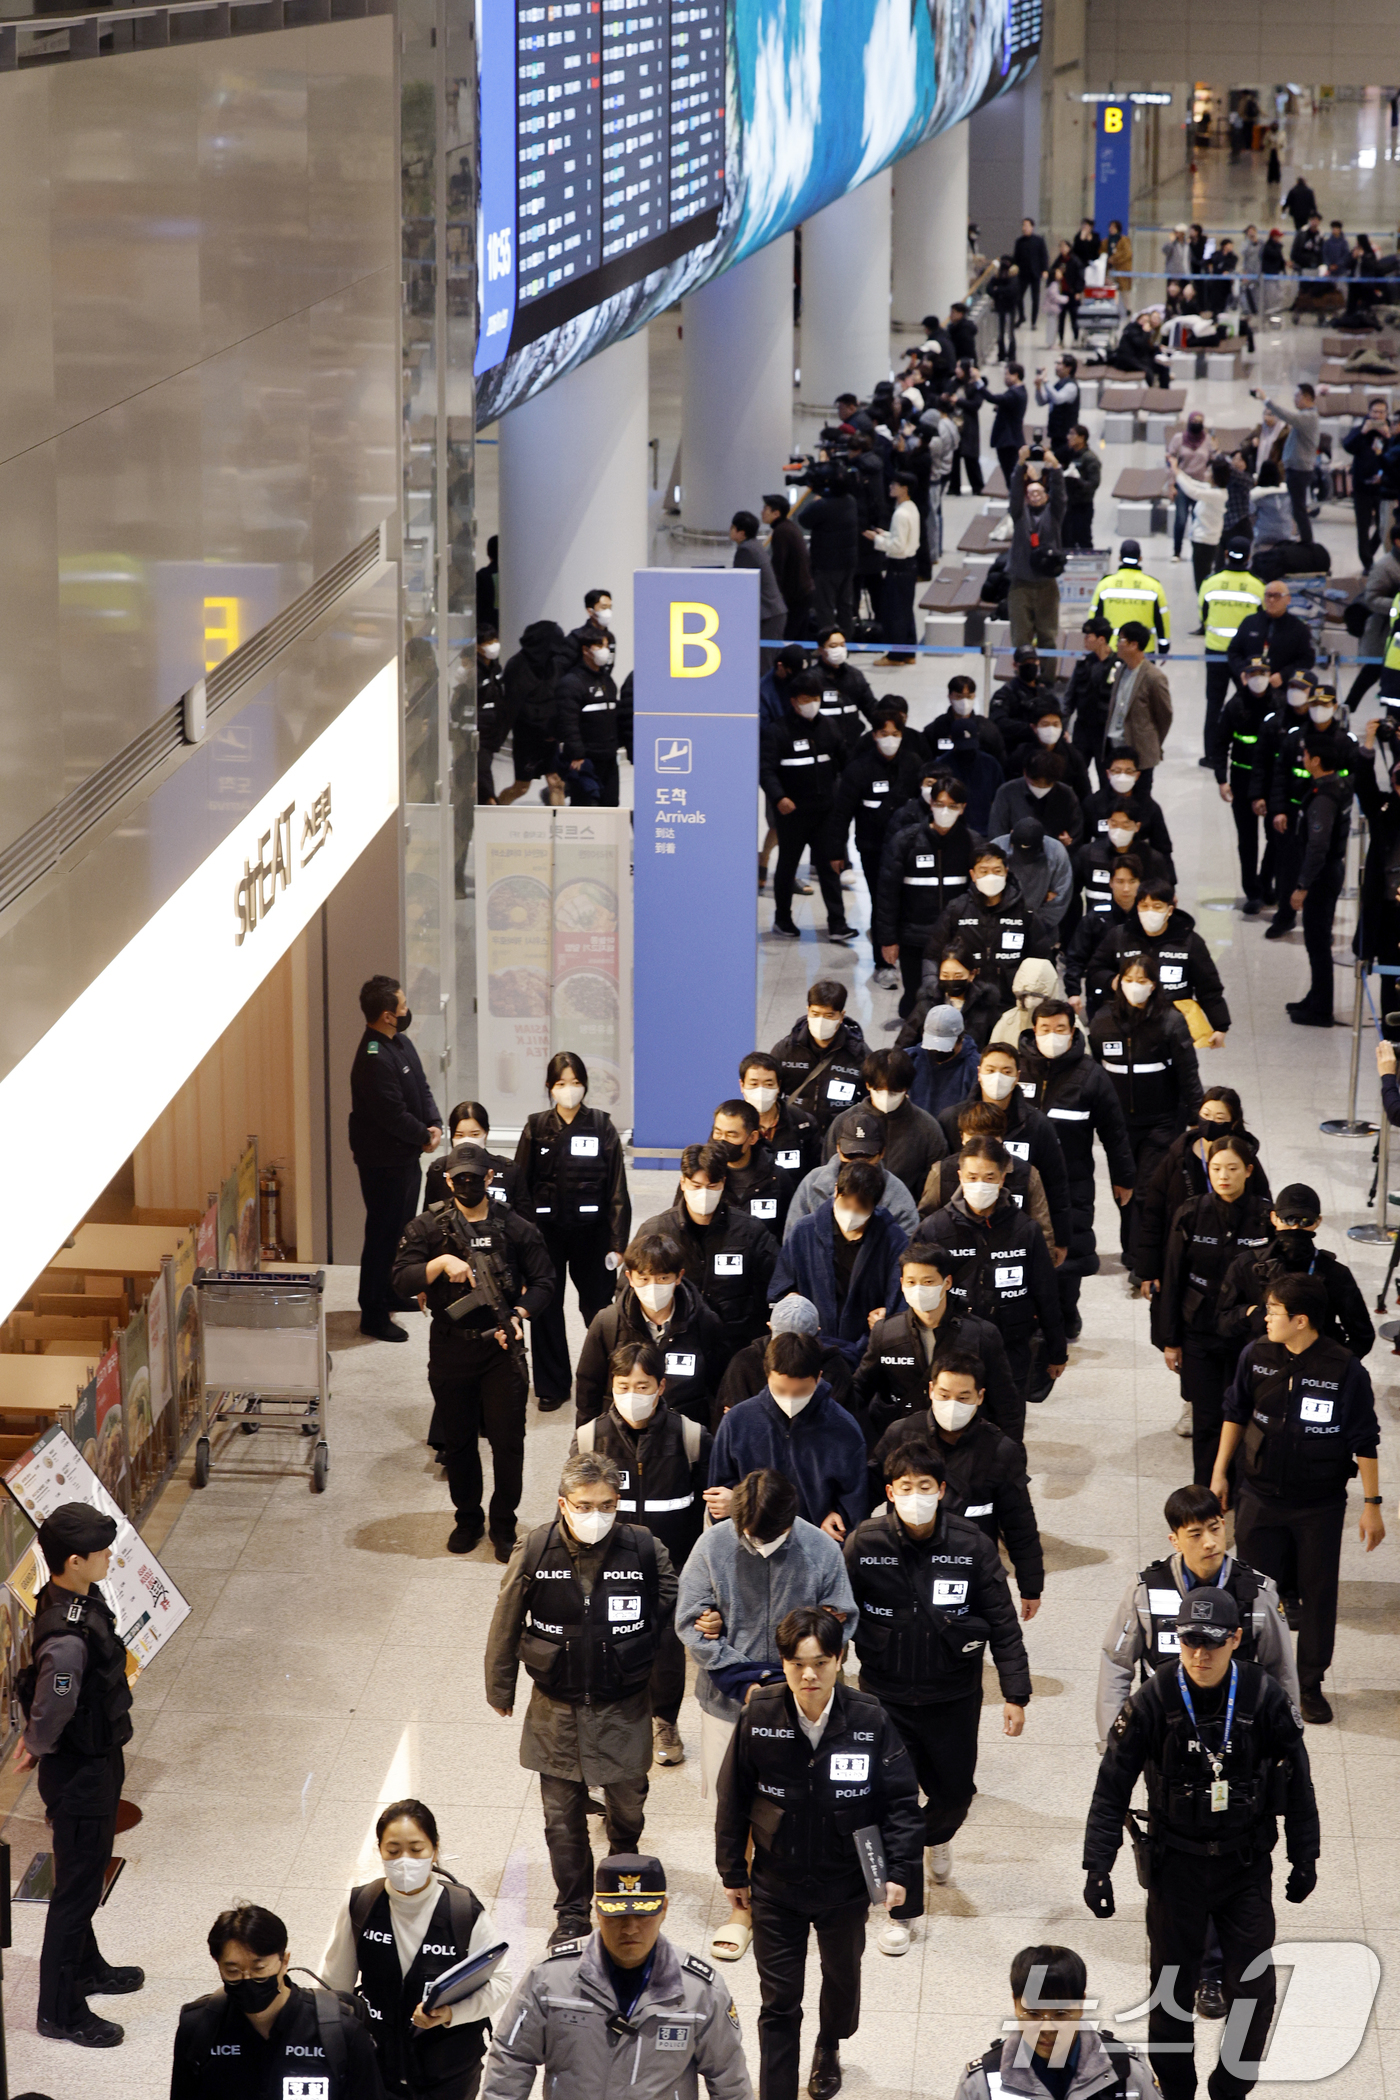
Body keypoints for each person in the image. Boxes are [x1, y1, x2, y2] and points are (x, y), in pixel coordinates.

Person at [1082, 1588, 1319, 2100]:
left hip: (1245, 1866)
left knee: (1253, 1992)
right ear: (1176, 1639)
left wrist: (1306, 1856)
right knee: (1170, 1993)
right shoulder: (1155, 1697)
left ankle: (1230, 2089)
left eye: (1212, 1642)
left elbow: (1299, 1781)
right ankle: (1177, 2091)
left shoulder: (1262, 1696)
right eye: (1189, 1641)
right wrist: (1097, 1865)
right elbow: (1112, 1784)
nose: (1199, 1654)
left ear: (1236, 1638)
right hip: (1176, 1869)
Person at [714, 1606, 922, 2093]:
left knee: (842, 1978)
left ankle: (829, 2043)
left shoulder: (869, 1719)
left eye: (821, 1663)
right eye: (797, 1663)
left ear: (839, 1658)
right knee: (779, 1999)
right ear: (783, 1663)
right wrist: (731, 1872)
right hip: (775, 1885)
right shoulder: (760, 1714)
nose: (809, 1675)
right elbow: (734, 1798)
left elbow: (902, 1804)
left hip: (845, 1885)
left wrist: (899, 1874)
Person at [485, 1451, 678, 1943]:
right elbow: (506, 1620)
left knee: (628, 1805)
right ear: (563, 1504)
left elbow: (672, 1612)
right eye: (585, 1504)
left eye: (608, 1504)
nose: (597, 1515)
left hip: (624, 1705)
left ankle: (620, 1877)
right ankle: (571, 1910)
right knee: (561, 1819)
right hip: (556, 1710)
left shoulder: (644, 1549)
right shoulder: (533, 1550)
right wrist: (500, 1685)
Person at [845, 1432, 1030, 1917]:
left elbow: (1003, 1623)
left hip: (952, 1697)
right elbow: (839, 1615)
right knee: (889, 1803)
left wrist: (1016, 1694)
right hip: (884, 1697)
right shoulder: (865, 1543)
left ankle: (934, 1839)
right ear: (889, 1492)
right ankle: (898, 1912)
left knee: (953, 1798)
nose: (915, 1495)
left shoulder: (971, 1546)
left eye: (924, 1485)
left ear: (942, 1490)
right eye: (904, 1486)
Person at [677, 1467, 858, 1961]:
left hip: (805, 1695)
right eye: (748, 1533)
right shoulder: (713, 1545)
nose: (757, 1543)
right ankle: (742, 1906)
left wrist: (791, 1676)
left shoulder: (819, 1549)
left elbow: (843, 1616)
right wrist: (742, 1677)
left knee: (796, 1798)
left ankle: (796, 1893)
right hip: (728, 1698)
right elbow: (689, 1620)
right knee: (736, 1804)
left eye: (769, 1535)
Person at [1214, 1273, 1385, 1724]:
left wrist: (1373, 1504)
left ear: (1301, 1320)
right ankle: (1254, 1678)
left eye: (1272, 1311)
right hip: (1259, 1496)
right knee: (1253, 1595)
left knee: (1317, 1594)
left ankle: (1309, 1684)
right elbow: (1234, 1412)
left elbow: (1365, 1439)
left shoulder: (1344, 1369)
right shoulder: (1256, 1355)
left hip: (1319, 1504)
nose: (1264, 1317)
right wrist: (1218, 1475)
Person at [392, 1143, 554, 1557]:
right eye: (458, 1178)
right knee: (460, 1442)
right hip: (451, 1349)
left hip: (501, 1349)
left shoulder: (516, 1228)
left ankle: (503, 1523)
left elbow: (544, 1283)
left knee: (507, 1441)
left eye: (474, 1178)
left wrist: (518, 1313)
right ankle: (467, 1518)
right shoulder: (427, 1228)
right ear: (448, 1180)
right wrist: (439, 1265)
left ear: (488, 1179)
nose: (466, 1184)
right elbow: (400, 1280)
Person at [480, 1853, 751, 2100]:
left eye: (643, 1915)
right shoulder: (548, 1977)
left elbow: (729, 2078)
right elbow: (512, 2058)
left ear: (664, 1909)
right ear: (597, 1909)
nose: (631, 1928)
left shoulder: (701, 1990)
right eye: (618, 1914)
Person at [16, 1504, 138, 2048]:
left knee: (83, 1877)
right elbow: (53, 1706)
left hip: (98, 1758)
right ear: (74, 1561)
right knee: (75, 1893)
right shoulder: (66, 1639)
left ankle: (87, 1968)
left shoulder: (74, 1599)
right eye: (102, 1551)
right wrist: (36, 1744)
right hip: (79, 1775)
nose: (109, 1556)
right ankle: (60, 2011)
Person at [573, 1343, 711, 1767]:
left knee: (667, 1650)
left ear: (661, 1386)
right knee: (607, 1645)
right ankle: (608, 1725)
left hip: (671, 1568)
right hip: (610, 1564)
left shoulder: (691, 1436)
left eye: (643, 1385)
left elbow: (713, 1505)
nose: (633, 1394)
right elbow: (574, 1502)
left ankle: (664, 1721)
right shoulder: (589, 1438)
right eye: (623, 1385)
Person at [322, 1798, 512, 2100]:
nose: (404, 1860)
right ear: (380, 1851)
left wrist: (451, 2012)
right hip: (377, 2066)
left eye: (416, 1849)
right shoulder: (361, 1906)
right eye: (393, 1851)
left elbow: (501, 1984)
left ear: (435, 1849)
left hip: (448, 2071)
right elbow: (334, 1990)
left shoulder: (462, 1912)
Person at [867, 1357, 1043, 1605]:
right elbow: (867, 1489)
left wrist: (1030, 1586)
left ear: (980, 1397)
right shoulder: (901, 1434)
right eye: (944, 1395)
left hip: (969, 1568)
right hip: (905, 1562)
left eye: (963, 1398)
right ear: (930, 1391)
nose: (952, 1405)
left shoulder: (999, 1450)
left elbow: (1018, 1521)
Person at [920, 1136, 1067, 1429]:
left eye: (989, 1177)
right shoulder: (935, 1229)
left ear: (1002, 1178)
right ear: (960, 1175)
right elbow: (917, 1288)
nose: (980, 1184)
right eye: (972, 1177)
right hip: (952, 1352)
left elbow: (1046, 1291)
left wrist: (1056, 1350)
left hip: (1010, 1348)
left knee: (1007, 1431)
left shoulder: (1025, 1230)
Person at [172, 1903, 387, 2097]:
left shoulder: (339, 2030)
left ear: (284, 1961)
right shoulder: (198, 2028)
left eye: (259, 1968)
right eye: (233, 1971)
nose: (248, 1979)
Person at [515, 1052, 630, 1411]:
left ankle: (611, 1379)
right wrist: (520, 1245)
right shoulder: (536, 1127)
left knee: (599, 1309)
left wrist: (617, 1242)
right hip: (544, 1235)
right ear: (550, 1087)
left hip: (592, 1234)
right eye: (562, 1083)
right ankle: (552, 1385)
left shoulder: (601, 1126)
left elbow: (616, 1189)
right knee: (545, 1308)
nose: (569, 1090)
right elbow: (520, 1188)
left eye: (576, 1082)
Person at [1156, 1134, 1273, 1487]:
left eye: (1232, 1168)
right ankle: (1207, 1491)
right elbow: (1172, 1279)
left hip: (1248, 1335)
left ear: (1248, 1170)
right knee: (1207, 1418)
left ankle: (1239, 1488)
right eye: (1216, 1168)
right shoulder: (1191, 1214)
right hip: (1200, 1332)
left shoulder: (1265, 1218)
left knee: (1244, 1414)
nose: (1223, 1176)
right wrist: (1170, 1340)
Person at [1018, 997, 1135, 1337]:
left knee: (1068, 1255)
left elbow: (1114, 1132)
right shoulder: (1017, 1067)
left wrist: (1124, 1177)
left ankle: (1066, 1311)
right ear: (1033, 1030)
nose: (1052, 1035)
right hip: (1021, 1183)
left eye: (1060, 1029)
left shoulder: (1091, 1075)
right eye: (1045, 1029)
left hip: (1072, 1180)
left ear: (1072, 1032)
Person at [1088, 957, 1204, 1269]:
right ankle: (1132, 1251)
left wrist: (1198, 1119)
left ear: (1154, 985)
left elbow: (1188, 1074)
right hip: (1119, 1127)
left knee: (1148, 1190)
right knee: (1123, 1190)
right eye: (1129, 979)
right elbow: (1093, 1075)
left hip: (1162, 1122)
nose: (1135, 987)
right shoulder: (1102, 1022)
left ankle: (1145, 1259)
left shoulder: (1171, 1021)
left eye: (1142, 980)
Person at [854, 1240, 1020, 1445]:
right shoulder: (886, 1332)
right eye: (911, 1282)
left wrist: (1013, 1453)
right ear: (902, 1283)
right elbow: (860, 1391)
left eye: (928, 1282)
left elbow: (1006, 1402)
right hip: (906, 1447)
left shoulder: (981, 1334)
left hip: (965, 1443)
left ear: (947, 1282)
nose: (919, 1289)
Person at [351, 974, 442, 1343]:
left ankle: (390, 1292)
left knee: (399, 1234)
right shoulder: (373, 1057)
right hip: (383, 1163)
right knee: (382, 1236)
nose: (407, 1011)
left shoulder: (399, 1043)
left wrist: (434, 1123)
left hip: (405, 1158)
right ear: (388, 1015)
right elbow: (391, 1113)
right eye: (402, 1006)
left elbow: (421, 1087)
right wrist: (423, 1137)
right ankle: (372, 1312)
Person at [707, 1329, 869, 1537]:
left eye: (801, 1391)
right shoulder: (737, 1422)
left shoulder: (844, 1429)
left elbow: (854, 1504)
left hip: (814, 1550)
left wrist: (839, 1517)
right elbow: (718, 1497)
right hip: (749, 1545)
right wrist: (739, 1506)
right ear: (767, 1375)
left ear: (819, 1377)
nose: (790, 1399)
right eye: (781, 1390)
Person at [952, 1945, 1156, 2100]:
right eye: (1033, 2014)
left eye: (1060, 2014)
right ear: (1015, 2003)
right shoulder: (983, 2081)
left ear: (1081, 2004)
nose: (1047, 2029)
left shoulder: (1127, 2072)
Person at [574, 1229, 729, 1427]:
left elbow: (718, 1386)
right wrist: (586, 1437)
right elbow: (589, 1385)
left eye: (663, 1278)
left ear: (678, 1276)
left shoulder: (705, 1322)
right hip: (620, 1431)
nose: (653, 1286)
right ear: (630, 1278)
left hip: (683, 1431)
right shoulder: (607, 1323)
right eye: (644, 1279)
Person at [635, 1142, 778, 1355]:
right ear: (682, 1183)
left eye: (711, 1186)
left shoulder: (750, 1232)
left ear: (723, 1183)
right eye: (695, 1186)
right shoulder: (656, 1230)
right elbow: (629, 1289)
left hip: (735, 1344)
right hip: (676, 1344)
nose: (703, 1194)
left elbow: (776, 1283)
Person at [935, 1040, 1073, 1257]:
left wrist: (1060, 1239)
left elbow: (1056, 1184)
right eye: (991, 1070)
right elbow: (939, 1177)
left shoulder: (1037, 1124)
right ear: (979, 1073)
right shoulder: (951, 1119)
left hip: (1017, 1229)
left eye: (1006, 1071)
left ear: (1017, 1076)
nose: (997, 1077)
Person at [769, 1161, 910, 1367]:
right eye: (846, 1205)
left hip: (869, 1355)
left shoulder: (893, 1239)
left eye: (861, 1208)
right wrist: (790, 1303)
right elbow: (780, 1288)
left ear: (875, 1205)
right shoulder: (803, 1231)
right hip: (810, 1353)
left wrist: (886, 1323)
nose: (851, 1213)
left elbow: (900, 1299)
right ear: (836, 1191)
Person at [1217, 1181, 1375, 1361]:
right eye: (1289, 1220)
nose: (1295, 1228)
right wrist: (1250, 1314)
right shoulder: (1248, 1266)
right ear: (1274, 1218)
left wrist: (1334, 1366)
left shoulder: (1335, 1274)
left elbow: (1362, 1336)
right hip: (1262, 1366)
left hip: (1316, 1368)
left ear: (1317, 1222)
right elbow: (1222, 1322)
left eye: (1304, 1221)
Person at [759, 670, 857, 945]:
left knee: (829, 867)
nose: (812, 703)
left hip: (825, 812)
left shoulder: (829, 726)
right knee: (788, 866)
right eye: (806, 698)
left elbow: (845, 760)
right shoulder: (777, 731)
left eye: (816, 697)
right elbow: (766, 771)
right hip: (793, 815)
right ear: (793, 701)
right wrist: (779, 798)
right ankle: (782, 919)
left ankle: (837, 923)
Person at [829, 706, 929, 973]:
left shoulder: (913, 764)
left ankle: (909, 958)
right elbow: (842, 813)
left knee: (910, 901)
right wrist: (836, 850)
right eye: (884, 733)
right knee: (881, 903)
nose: (890, 738)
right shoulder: (858, 770)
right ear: (874, 735)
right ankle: (882, 964)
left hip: (910, 849)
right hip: (873, 848)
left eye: (895, 733)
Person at [1088, 878, 1230, 1045]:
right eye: (1144, 906)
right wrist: (1113, 981)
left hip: (1172, 1023)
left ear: (1169, 910)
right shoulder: (1120, 936)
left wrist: (1220, 1025)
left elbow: (1208, 986)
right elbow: (1095, 968)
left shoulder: (1189, 942)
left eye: (1157, 907)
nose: (1150, 912)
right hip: (1127, 1018)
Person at [929, 840, 1058, 999]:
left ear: (1006, 872)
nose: (991, 876)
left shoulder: (1024, 912)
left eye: (997, 870)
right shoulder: (957, 910)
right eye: (983, 871)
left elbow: (1041, 959)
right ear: (973, 875)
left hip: (1010, 1000)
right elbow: (932, 954)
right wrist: (932, 991)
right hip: (967, 999)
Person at [1285, 727, 1351, 1027]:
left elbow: (1318, 846)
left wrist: (1302, 886)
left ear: (1316, 760)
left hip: (1322, 876)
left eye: (1306, 754)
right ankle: (1316, 996)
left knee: (1317, 941)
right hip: (1331, 870)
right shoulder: (1338, 784)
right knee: (1317, 939)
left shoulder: (1324, 797)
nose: (1303, 757)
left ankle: (1321, 1009)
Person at [787, 1109, 921, 1241]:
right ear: (838, 1148)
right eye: (850, 1155)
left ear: (882, 1153)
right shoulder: (813, 1183)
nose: (857, 1163)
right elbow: (792, 1240)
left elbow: (907, 1247)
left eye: (866, 1157)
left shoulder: (896, 1193)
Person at [826, 1056, 946, 1203]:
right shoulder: (844, 1122)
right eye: (879, 1090)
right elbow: (829, 1171)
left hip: (905, 1210)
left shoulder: (928, 1128)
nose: (886, 1097)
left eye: (894, 1092)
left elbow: (932, 1187)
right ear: (868, 1085)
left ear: (906, 1088)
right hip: (851, 1207)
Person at [1200, 545, 1267, 777]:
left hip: (1216, 652)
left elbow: (1204, 614)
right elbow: (1262, 619)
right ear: (1248, 557)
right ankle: (1253, 749)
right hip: (1247, 657)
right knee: (1251, 703)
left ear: (1226, 554)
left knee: (1214, 704)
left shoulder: (1210, 582)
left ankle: (1210, 755)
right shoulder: (1257, 585)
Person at [768, 980, 869, 1127]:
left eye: (829, 1016)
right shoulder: (785, 1050)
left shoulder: (859, 1054)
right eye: (815, 1014)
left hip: (839, 1132)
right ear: (807, 1010)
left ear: (841, 1016)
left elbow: (869, 1098)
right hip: (796, 1130)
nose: (821, 1021)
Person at [711, 1097, 801, 1242]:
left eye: (731, 1135)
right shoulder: (703, 1176)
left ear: (753, 1137)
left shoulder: (777, 1178)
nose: (722, 1140)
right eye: (718, 1133)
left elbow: (789, 1231)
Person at [497, 619, 567, 804]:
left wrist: (557, 730)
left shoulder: (554, 664)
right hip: (527, 740)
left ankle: (558, 828)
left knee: (556, 783)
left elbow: (559, 699)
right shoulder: (517, 666)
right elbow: (513, 708)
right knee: (521, 787)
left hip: (550, 739)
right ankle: (493, 814)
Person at [555, 627, 627, 805]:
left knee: (610, 805)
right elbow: (568, 721)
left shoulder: (607, 680)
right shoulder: (571, 683)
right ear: (586, 650)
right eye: (600, 646)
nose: (606, 650)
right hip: (585, 760)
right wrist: (577, 753)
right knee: (587, 806)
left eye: (607, 646)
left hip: (609, 757)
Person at [425, 1102, 533, 1215]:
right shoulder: (439, 1169)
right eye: (459, 1135)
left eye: (475, 1134)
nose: (467, 1140)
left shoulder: (508, 1170)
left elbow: (525, 1219)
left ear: (486, 1134)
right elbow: (428, 1218)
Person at [1006, 453, 1066, 651]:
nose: (1034, 496)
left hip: (1046, 585)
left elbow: (1060, 495)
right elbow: (1015, 494)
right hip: (1021, 585)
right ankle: (1023, 678)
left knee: (1047, 637)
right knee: (1020, 639)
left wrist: (1055, 466)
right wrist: (1019, 464)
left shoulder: (1054, 514)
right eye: (1030, 493)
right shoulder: (1019, 514)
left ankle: (1047, 679)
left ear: (1046, 496)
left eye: (1039, 493)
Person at [1101, 624, 1172, 790]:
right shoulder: (1120, 671)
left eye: (1121, 640)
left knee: (1139, 801)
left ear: (1134, 645)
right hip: (1115, 747)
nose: (1117, 644)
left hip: (1140, 752)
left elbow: (1164, 717)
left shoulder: (1154, 677)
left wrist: (1151, 742)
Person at [1251, 384, 1320, 544]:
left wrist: (1266, 399)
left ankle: (1307, 542)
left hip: (1299, 470)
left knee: (1299, 510)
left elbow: (1286, 415)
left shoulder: (1308, 417)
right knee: (1297, 509)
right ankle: (1304, 539)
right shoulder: (1308, 415)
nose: (1294, 399)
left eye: (1297, 396)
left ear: (1307, 398)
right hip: (1296, 469)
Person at [739, 1050, 823, 1181]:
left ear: (778, 1086)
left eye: (768, 1084)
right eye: (754, 1084)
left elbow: (816, 1175)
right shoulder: (730, 1125)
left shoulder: (802, 1123)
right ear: (742, 1085)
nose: (761, 1090)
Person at [864, 473, 920, 663]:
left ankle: (895, 655)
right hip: (910, 565)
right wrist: (887, 534)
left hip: (899, 567)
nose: (891, 486)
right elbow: (904, 539)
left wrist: (877, 539)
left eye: (895, 484)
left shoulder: (900, 514)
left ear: (905, 488)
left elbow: (898, 547)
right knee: (905, 610)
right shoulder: (911, 508)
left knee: (895, 612)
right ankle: (909, 652)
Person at [798, 465, 860, 631]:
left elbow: (803, 519)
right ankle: (845, 640)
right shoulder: (851, 502)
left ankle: (827, 642)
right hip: (848, 562)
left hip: (827, 564)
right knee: (845, 604)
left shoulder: (822, 505)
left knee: (824, 605)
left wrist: (817, 499)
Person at [1088, 541, 1171, 655]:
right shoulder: (1153, 586)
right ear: (1140, 558)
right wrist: (1163, 643)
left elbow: (1094, 618)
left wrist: (1094, 644)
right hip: (1143, 649)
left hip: (1111, 649)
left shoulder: (1105, 584)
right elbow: (1162, 618)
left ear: (1119, 558)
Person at [1342, 400, 1390, 568]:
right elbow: (1347, 446)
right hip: (1362, 485)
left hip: (1383, 486)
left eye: (1381, 412)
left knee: (1383, 525)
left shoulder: (1390, 432)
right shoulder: (1361, 430)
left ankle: (1369, 550)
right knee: (1363, 526)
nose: (1377, 415)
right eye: (1374, 412)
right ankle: (1367, 563)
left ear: (1386, 414)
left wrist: (1388, 437)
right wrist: (1362, 432)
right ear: (1369, 412)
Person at [763, 493, 815, 639]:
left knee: (790, 634)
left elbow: (779, 564)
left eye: (766, 508)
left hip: (797, 594)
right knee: (798, 634)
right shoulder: (788, 527)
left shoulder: (781, 531)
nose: (762, 512)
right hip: (804, 590)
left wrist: (774, 592)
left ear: (776, 513)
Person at [731, 510, 787, 642]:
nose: (730, 530)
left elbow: (739, 582)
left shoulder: (745, 550)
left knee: (764, 660)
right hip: (774, 612)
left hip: (768, 615)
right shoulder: (755, 546)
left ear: (741, 533)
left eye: (733, 527)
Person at [1166, 412, 1214, 561]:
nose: (1196, 423)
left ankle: (1196, 553)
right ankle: (1177, 552)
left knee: (1197, 519)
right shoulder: (1179, 439)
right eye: (1194, 420)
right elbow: (1171, 461)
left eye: (1199, 421)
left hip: (1200, 486)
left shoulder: (1207, 441)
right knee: (1180, 519)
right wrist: (1171, 485)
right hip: (1183, 484)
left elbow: (1212, 461)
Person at [978, 361, 1028, 485]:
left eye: (1007, 374)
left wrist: (977, 383)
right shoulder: (1020, 391)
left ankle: (1015, 502)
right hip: (1013, 439)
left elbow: (992, 398)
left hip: (1008, 441)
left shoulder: (1014, 393)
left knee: (1011, 476)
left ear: (1015, 375)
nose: (1005, 378)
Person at [1060, 425, 1100, 550]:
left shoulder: (1090, 458)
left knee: (1083, 538)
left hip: (1082, 506)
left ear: (1082, 438)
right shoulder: (1069, 455)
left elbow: (1094, 484)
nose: (1068, 437)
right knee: (1066, 539)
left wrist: (1078, 481)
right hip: (1068, 505)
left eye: (1072, 434)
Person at [1013, 217, 1050, 325]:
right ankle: (1021, 316)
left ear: (1032, 227)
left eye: (1027, 226)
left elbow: (1044, 256)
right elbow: (1016, 257)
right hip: (1022, 274)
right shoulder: (1019, 241)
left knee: (1035, 299)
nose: (1024, 228)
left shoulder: (1038, 240)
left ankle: (1033, 322)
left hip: (1035, 273)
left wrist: (1045, 270)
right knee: (1018, 296)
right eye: (1023, 226)